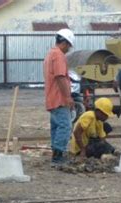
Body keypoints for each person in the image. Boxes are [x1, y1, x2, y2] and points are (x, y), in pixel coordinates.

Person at [43, 28, 75, 168]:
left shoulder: (50, 54)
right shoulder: (59, 55)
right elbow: (60, 77)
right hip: (59, 98)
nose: (69, 49)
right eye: (69, 45)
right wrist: (68, 97)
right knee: (65, 126)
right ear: (65, 43)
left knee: (56, 126)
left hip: (52, 97)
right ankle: (58, 155)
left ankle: (56, 153)